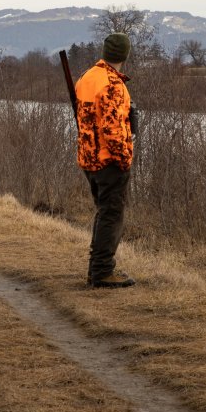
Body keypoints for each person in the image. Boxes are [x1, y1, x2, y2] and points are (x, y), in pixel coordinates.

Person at [75, 32, 136, 289]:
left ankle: (97, 269)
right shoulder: (113, 84)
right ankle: (102, 272)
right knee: (111, 216)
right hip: (108, 160)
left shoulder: (87, 77)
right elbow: (113, 130)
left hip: (88, 158)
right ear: (125, 55)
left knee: (104, 213)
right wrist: (125, 160)